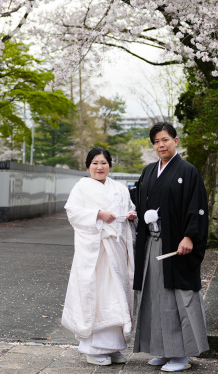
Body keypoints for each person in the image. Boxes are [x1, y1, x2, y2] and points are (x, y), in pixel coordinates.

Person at [132, 122, 209, 372]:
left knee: (178, 298)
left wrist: (190, 236)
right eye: (156, 142)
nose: (160, 145)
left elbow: (197, 207)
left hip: (175, 244)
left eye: (165, 139)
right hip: (152, 243)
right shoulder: (148, 171)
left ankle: (181, 356)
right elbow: (138, 200)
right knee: (154, 296)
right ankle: (163, 350)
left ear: (175, 141)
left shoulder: (188, 171)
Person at [62, 148, 137, 367]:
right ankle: (93, 349)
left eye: (103, 163)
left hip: (116, 250)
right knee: (97, 294)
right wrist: (97, 214)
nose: (99, 167)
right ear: (88, 166)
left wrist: (131, 215)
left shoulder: (120, 188)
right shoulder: (81, 187)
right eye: (95, 163)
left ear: (110, 165)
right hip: (95, 251)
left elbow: (129, 208)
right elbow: (73, 212)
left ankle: (114, 347)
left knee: (117, 293)